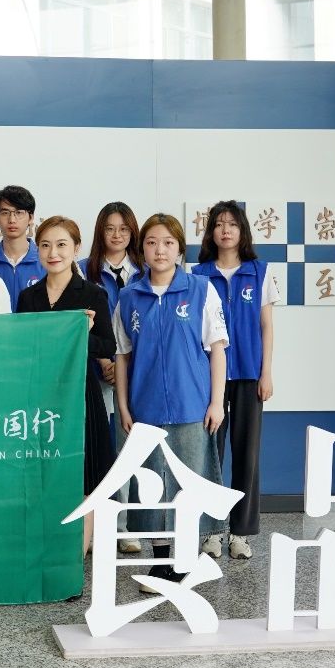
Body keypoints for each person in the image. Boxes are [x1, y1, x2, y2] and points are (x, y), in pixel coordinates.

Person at [113, 213, 228, 591]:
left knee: (188, 483)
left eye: (167, 242)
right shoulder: (130, 297)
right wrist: (124, 406)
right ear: (142, 249)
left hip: (191, 406)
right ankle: (161, 562)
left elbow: (217, 349)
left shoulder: (201, 290)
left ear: (179, 249)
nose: (159, 250)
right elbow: (122, 356)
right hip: (145, 409)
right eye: (151, 242)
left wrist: (216, 402)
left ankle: (185, 561)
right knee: (152, 485)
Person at [16, 216, 116, 555]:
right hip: (38, 396)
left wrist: (82, 334)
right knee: (43, 473)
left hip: (80, 396)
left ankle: (77, 555)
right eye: (45, 245)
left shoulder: (93, 294)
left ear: (76, 248)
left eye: (61, 245)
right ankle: (45, 550)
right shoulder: (28, 297)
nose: (53, 253)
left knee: (85, 475)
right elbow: (19, 348)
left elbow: (107, 346)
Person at [191, 200, 278, 560]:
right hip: (209, 377)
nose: (225, 230)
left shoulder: (259, 272)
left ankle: (240, 533)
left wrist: (266, 372)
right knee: (209, 455)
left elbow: (267, 326)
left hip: (248, 375)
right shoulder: (197, 274)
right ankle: (211, 531)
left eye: (232, 224)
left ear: (243, 231)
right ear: (210, 231)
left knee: (247, 455)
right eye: (218, 224)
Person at [82, 202, 145, 553]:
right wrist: (106, 361)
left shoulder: (146, 270)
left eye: (123, 228)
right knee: (101, 452)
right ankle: (99, 526)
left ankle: (124, 527)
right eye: (110, 228)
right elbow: (84, 324)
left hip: (138, 375)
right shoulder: (84, 271)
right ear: (100, 232)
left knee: (130, 452)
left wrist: (124, 366)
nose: (117, 235)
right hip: (97, 374)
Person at [0, 185, 46, 312]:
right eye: (5, 213)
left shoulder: (47, 262)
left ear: (31, 217)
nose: (12, 220)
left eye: (19, 212)